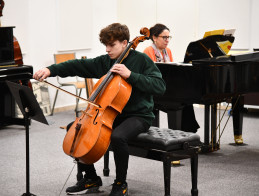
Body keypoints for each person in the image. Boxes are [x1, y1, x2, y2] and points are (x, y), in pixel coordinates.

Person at [33, 23, 166, 196]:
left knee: (118, 136)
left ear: (125, 43)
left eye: (112, 45)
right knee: (75, 127)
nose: (107, 49)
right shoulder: (106, 61)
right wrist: (50, 70)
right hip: (111, 113)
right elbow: (77, 66)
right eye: (105, 45)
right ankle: (91, 178)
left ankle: (120, 183)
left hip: (138, 115)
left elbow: (160, 86)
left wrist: (131, 75)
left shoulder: (141, 60)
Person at [143, 23, 200, 133]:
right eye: (164, 37)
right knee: (179, 99)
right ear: (154, 37)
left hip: (167, 88)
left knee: (187, 99)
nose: (167, 40)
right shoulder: (148, 51)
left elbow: (172, 72)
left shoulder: (167, 51)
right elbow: (149, 75)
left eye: (168, 37)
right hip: (154, 90)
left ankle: (188, 132)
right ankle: (182, 133)